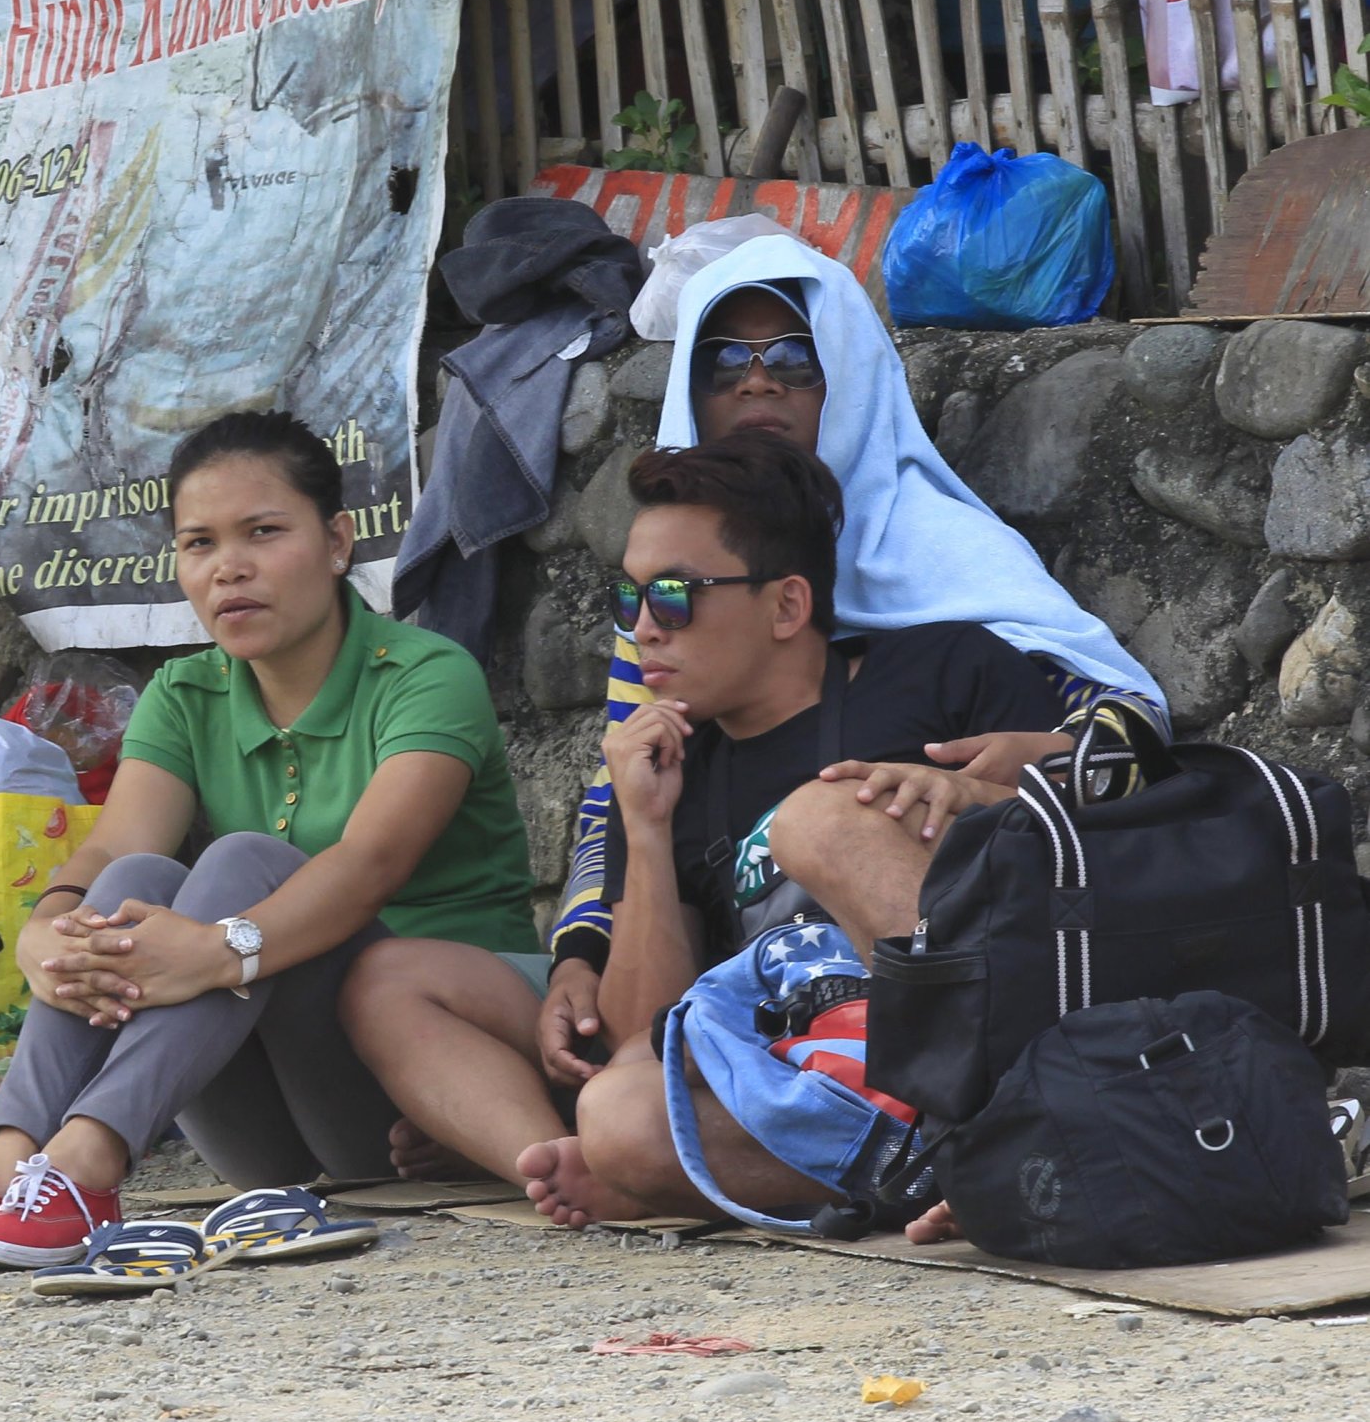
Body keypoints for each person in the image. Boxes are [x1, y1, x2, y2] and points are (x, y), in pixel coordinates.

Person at [354, 235, 1169, 1186]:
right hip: (772, 1028)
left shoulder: (949, 607)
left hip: (976, 987)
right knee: (613, 1094)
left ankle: (1018, 1123)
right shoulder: (678, 639)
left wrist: (1000, 781)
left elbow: (1126, 750)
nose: (756, 386)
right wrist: (586, 935)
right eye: (720, 361)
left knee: (816, 821)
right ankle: (584, 1157)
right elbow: (615, 830)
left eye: (792, 359)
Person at [0, 411, 543, 1274]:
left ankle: (86, 1161)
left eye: (264, 533)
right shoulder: (188, 694)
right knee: (137, 876)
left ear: (338, 542)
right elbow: (112, 848)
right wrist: (50, 925)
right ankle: (11, 1167)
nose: (229, 567)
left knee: (243, 862)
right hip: (257, 1123)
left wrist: (219, 950)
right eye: (199, 543)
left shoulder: (424, 676)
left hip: (417, 1096)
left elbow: (370, 863)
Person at [355, 433, 1071, 1226]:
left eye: (673, 595)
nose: (644, 631)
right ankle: (925, 1172)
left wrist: (968, 792)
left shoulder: (943, 671)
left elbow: (1085, 843)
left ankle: (1013, 1131)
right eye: (628, 601)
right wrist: (648, 829)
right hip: (814, 1067)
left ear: (788, 605)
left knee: (817, 820)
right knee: (620, 1114)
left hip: (982, 1029)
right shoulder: (669, 769)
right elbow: (643, 1032)